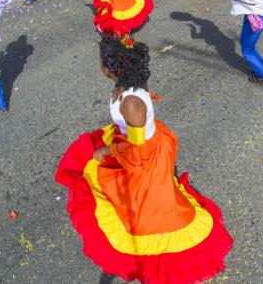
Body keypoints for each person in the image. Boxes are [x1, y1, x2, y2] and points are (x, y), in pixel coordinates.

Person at [55, 36, 233, 283]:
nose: (99, 65)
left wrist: (104, 153)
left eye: (101, 60)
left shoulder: (131, 102)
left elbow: (137, 149)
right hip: (139, 147)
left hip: (143, 158)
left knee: (148, 214)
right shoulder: (126, 85)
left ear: (110, 67)